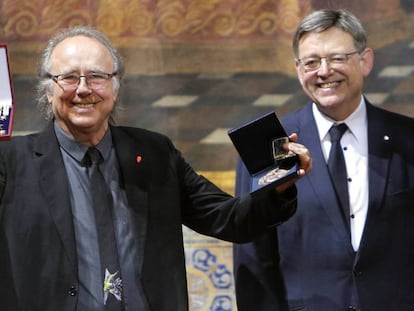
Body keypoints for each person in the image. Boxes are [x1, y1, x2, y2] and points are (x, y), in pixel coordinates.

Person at [0, 26, 312, 311]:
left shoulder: (154, 153)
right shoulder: (11, 163)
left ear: (115, 87)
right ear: (48, 89)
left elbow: (229, 220)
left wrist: (279, 186)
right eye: (68, 77)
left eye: (96, 76)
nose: (83, 89)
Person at [233, 8, 414, 311]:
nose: (324, 71)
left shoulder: (408, 139)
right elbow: (253, 257)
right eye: (311, 62)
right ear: (298, 69)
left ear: (365, 60)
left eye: (337, 58)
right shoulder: (270, 145)